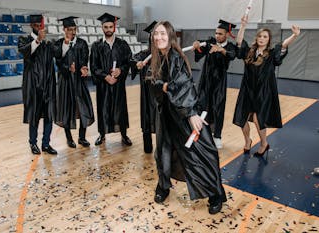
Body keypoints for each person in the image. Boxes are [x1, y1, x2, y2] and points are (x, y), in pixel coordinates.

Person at [150, 21, 226, 214]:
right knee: (164, 151)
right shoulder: (158, 57)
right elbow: (153, 83)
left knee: (201, 151)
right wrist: (162, 86)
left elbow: (185, 85)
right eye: (156, 34)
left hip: (182, 112)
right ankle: (163, 186)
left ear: (170, 36)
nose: (159, 37)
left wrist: (192, 113)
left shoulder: (175, 57)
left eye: (163, 34)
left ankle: (215, 193)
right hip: (166, 113)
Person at [233, 15, 300, 156]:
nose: (262, 38)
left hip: (263, 91)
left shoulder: (271, 54)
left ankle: (264, 143)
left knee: (258, 119)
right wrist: (243, 25)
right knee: (242, 118)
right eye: (260, 36)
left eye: (265, 37)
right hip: (247, 89)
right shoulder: (249, 52)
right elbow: (239, 42)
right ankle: (247, 141)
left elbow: (284, 45)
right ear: (257, 38)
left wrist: (294, 35)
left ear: (268, 40)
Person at [192, 19, 236, 149]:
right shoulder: (210, 42)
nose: (217, 36)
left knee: (218, 107)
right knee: (202, 105)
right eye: (216, 33)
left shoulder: (230, 47)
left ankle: (217, 136)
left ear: (227, 34)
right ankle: (199, 134)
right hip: (205, 80)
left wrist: (220, 50)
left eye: (220, 34)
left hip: (219, 82)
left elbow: (231, 55)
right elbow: (199, 52)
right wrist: (197, 46)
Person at [90, 13, 133, 146]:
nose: (108, 29)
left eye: (110, 26)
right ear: (102, 28)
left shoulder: (122, 44)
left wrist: (120, 70)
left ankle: (124, 135)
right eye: (105, 27)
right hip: (103, 85)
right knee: (103, 108)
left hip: (118, 84)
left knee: (120, 108)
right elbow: (94, 66)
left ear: (114, 27)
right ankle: (102, 135)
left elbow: (129, 62)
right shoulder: (96, 46)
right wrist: (105, 76)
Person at [18, 14, 57, 155]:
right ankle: (33, 143)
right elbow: (25, 52)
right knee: (33, 116)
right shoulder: (24, 40)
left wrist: (66, 43)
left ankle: (46, 144)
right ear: (31, 26)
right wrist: (38, 40)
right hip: (33, 86)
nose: (38, 28)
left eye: (40, 26)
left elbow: (58, 54)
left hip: (48, 85)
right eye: (36, 26)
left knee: (49, 116)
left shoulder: (48, 43)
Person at [53, 16, 94, 148]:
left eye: (74, 29)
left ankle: (82, 137)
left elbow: (84, 59)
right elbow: (58, 61)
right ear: (64, 30)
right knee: (67, 109)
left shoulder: (82, 43)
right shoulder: (59, 43)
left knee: (83, 107)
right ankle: (69, 138)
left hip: (79, 81)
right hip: (65, 81)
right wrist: (67, 69)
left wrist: (83, 68)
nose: (72, 32)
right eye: (69, 29)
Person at [130, 21, 157, 153]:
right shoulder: (144, 54)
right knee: (147, 119)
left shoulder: (168, 55)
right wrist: (137, 64)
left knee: (162, 122)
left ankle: (164, 149)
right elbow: (133, 59)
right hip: (147, 95)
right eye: (152, 36)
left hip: (161, 95)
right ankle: (147, 147)